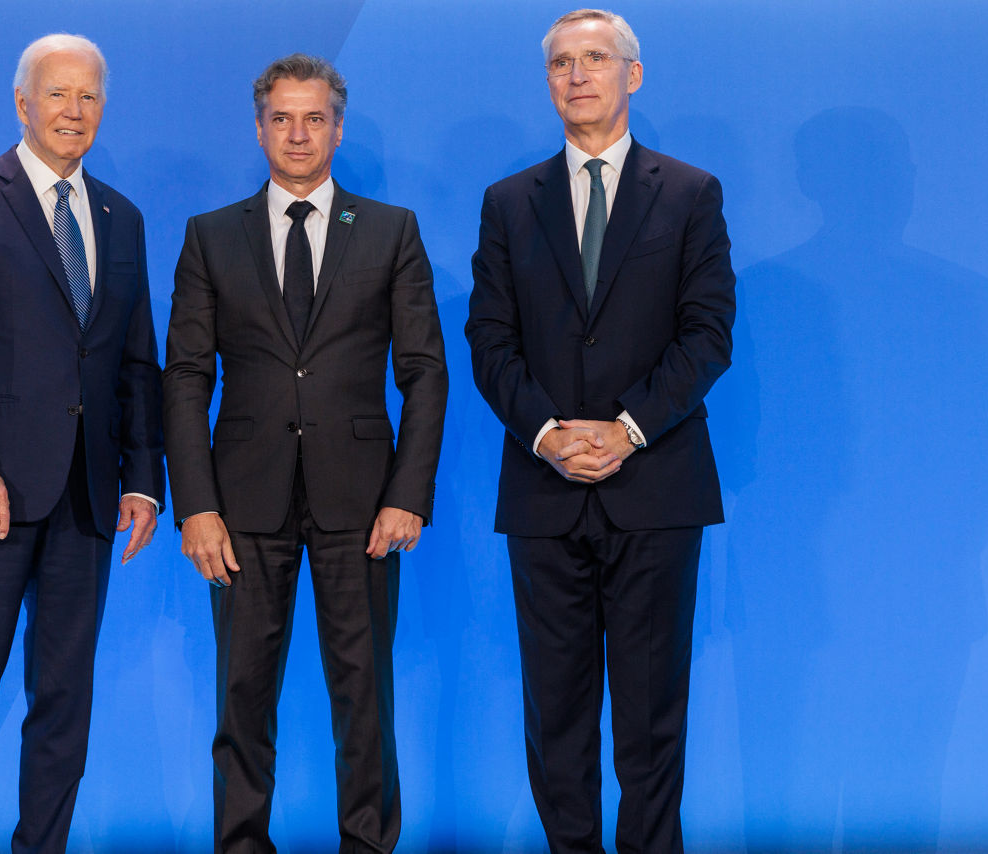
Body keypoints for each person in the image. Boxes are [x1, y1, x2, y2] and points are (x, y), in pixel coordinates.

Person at [465, 9, 735, 853]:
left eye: (595, 59)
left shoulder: (690, 193)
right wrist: (548, 433)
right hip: (546, 495)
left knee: (653, 723)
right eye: (560, 64)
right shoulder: (509, 204)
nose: (577, 76)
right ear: (547, 82)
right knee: (557, 719)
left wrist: (627, 430)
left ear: (633, 74)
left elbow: (707, 335)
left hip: (655, 491)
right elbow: (489, 340)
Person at [163, 53, 447, 854]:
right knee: (241, 698)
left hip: (362, 505)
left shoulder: (390, 230)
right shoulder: (211, 236)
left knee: (365, 697)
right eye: (282, 118)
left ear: (338, 127)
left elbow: (425, 372)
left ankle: (367, 845)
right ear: (258, 129)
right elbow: (184, 376)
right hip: (240, 505)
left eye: (314, 118)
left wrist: (408, 494)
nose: (298, 133)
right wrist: (196, 505)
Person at [0, 33, 164, 854]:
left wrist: (143, 478)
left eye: (88, 97)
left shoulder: (122, 216)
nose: (74, 111)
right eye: (58, 94)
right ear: (23, 103)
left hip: (87, 500)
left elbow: (133, 359)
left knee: (64, 701)